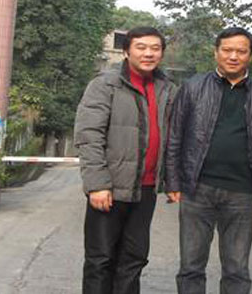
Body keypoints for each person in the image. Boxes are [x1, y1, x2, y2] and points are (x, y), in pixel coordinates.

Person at [165, 27, 252, 294]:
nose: (233, 56)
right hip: (197, 188)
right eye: (227, 50)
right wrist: (173, 181)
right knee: (191, 265)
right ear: (216, 52)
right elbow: (175, 136)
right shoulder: (193, 87)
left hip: (242, 191)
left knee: (237, 269)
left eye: (241, 51)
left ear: (250, 55)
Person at [74, 26, 177, 294]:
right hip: (110, 188)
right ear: (126, 51)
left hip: (146, 189)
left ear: (162, 53)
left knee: (134, 259)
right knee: (101, 259)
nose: (148, 53)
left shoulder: (168, 89)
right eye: (141, 47)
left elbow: (175, 136)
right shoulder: (105, 85)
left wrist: (173, 180)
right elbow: (89, 135)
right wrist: (97, 184)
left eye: (155, 48)